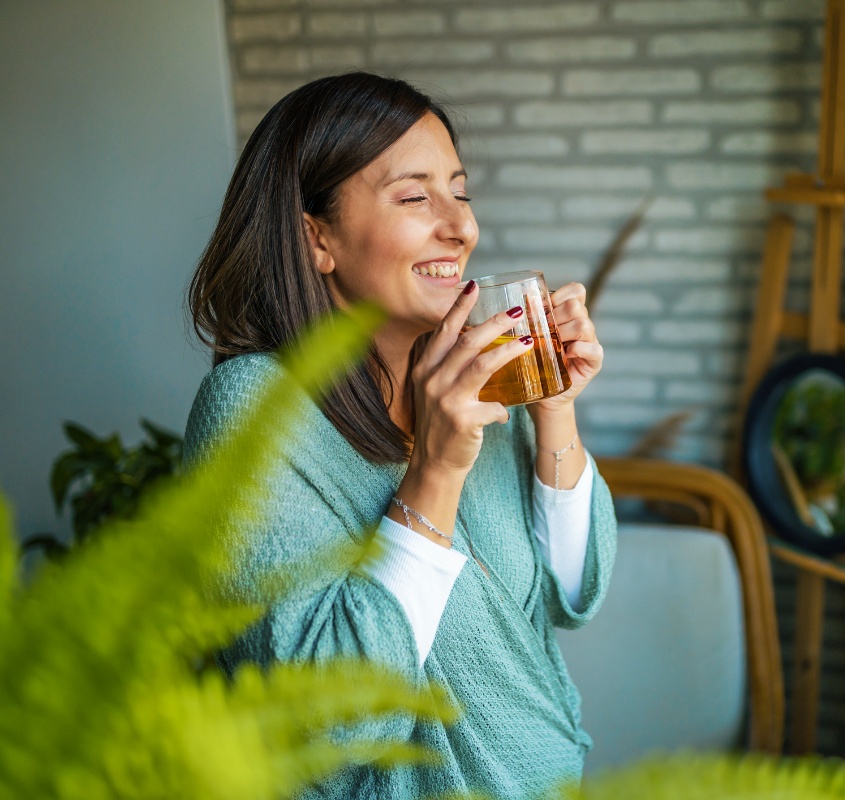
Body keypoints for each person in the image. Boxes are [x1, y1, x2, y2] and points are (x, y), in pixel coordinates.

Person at [182, 72, 617, 800]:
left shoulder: (466, 373)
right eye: (416, 197)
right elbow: (321, 729)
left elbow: (573, 595)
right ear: (315, 236)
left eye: (461, 191)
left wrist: (555, 409)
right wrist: (438, 473)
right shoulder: (252, 410)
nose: (461, 226)